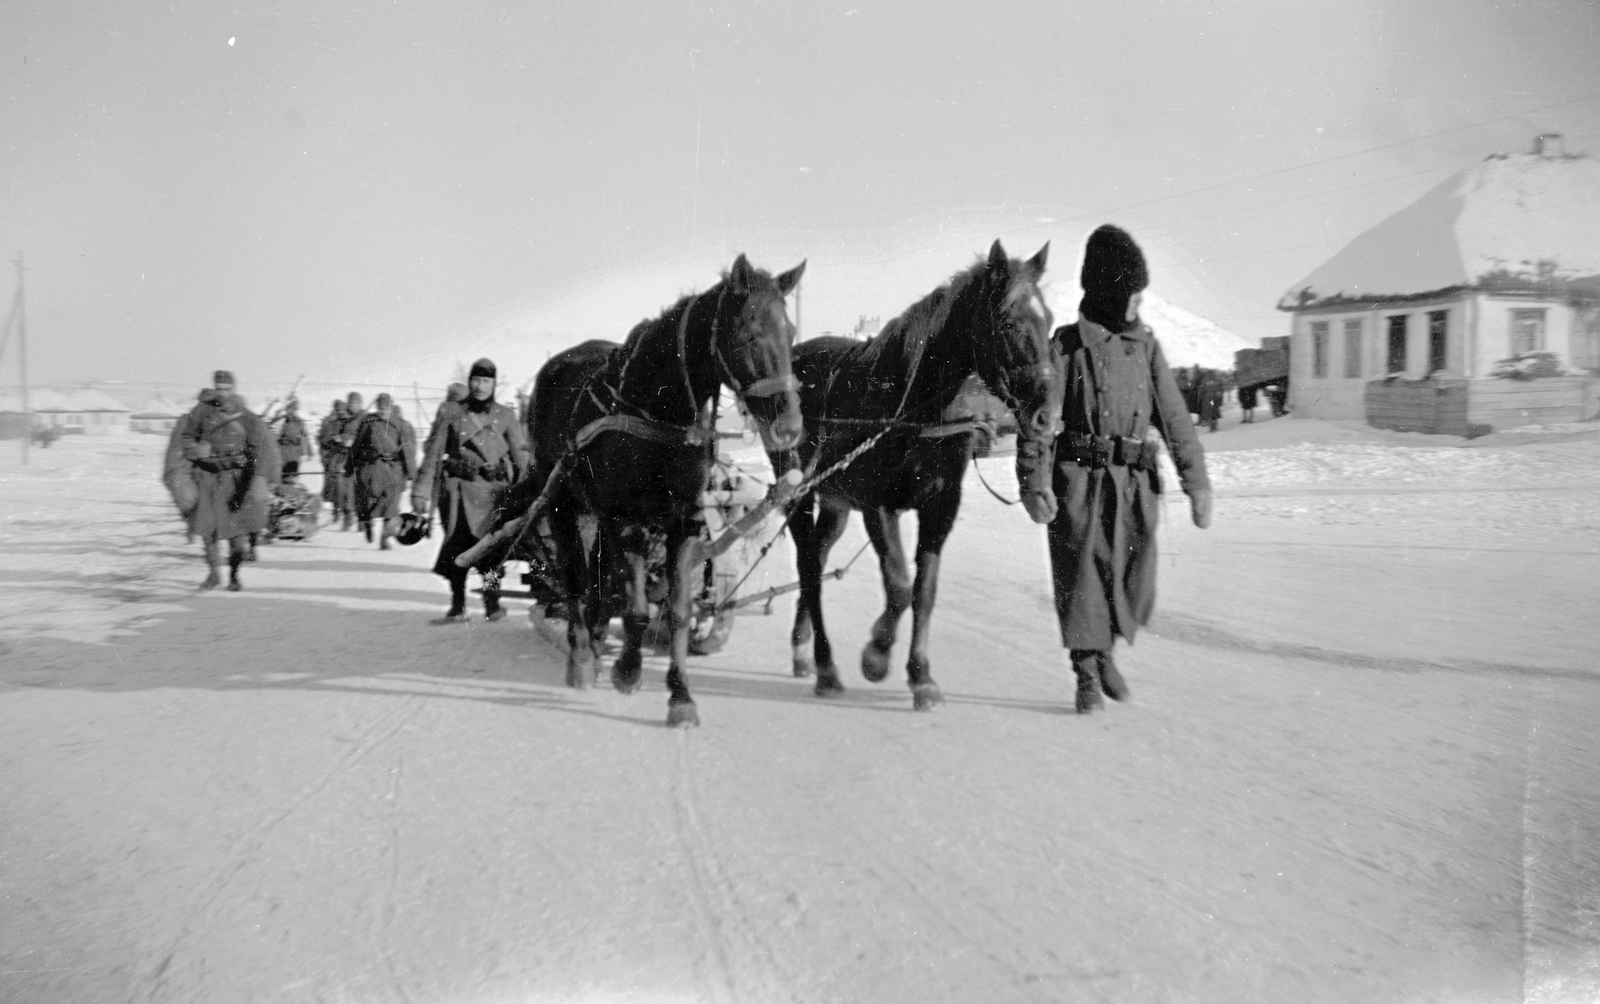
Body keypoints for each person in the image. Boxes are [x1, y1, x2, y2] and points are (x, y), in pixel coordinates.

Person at [1032, 225, 1212, 714]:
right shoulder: (1067, 347)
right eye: (1132, 294)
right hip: (1079, 482)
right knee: (1083, 576)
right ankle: (1087, 671)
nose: (1138, 304)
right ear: (1109, 292)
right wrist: (1035, 484)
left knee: (1132, 576)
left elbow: (1175, 419)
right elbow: (1040, 424)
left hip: (1133, 485)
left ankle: (1105, 647)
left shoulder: (1147, 348)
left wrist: (1196, 484)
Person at [411, 359, 529, 622]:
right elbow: (433, 454)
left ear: (494, 384)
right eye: (475, 380)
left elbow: (521, 459)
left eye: (486, 381)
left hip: (493, 494)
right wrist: (420, 491)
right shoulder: (452, 413)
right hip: (458, 493)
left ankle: (492, 604)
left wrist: (526, 493)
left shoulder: (506, 416)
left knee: (491, 551)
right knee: (456, 547)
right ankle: (457, 606)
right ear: (469, 382)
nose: (479, 386)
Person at [179, 377, 280, 590]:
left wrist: (258, 481)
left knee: (237, 533)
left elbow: (261, 449)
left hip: (235, 480)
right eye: (219, 388)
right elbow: (186, 437)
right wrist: (196, 450)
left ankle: (234, 574)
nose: (222, 392)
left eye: (226, 388)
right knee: (208, 531)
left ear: (233, 389)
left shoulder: (246, 417)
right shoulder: (201, 413)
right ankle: (214, 573)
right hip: (208, 478)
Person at [346, 393, 417, 549]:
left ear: (391, 407)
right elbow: (356, 446)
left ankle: (385, 537)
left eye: (386, 407)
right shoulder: (368, 422)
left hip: (393, 470)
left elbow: (408, 450)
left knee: (392, 505)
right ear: (377, 407)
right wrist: (349, 466)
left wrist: (411, 473)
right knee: (367, 501)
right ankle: (367, 522)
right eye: (380, 407)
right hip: (371, 469)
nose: (383, 410)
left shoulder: (401, 424)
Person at [317, 400, 347, 506]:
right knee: (332, 480)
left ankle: (335, 501)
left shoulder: (344, 420)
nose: (340, 412)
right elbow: (322, 439)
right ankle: (333, 502)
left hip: (337, 456)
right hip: (330, 454)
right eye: (339, 410)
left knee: (336, 479)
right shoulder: (328, 421)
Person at [274, 396, 309, 477]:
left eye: (294, 410)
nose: (292, 412)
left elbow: (305, 438)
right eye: (290, 409)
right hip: (281, 451)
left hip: (294, 452)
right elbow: (275, 435)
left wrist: (305, 452)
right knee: (281, 474)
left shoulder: (300, 423)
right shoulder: (281, 420)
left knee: (292, 475)